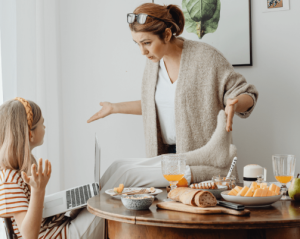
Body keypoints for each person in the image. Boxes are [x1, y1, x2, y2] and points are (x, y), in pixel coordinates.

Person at [88, 3, 258, 185]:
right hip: (166, 155)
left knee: (127, 176)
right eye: (137, 44)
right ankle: (76, 209)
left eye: (147, 43)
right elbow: (154, 106)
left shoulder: (207, 57)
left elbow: (246, 93)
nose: (142, 52)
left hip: (199, 160)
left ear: (167, 35)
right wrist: (114, 108)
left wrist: (234, 103)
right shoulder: (153, 64)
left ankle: (85, 210)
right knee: (117, 167)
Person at [0, 98, 103, 239]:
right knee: (107, 201)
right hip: (61, 235)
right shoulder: (9, 179)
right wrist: (38, 190)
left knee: (113, 177)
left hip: (58, 228)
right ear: (30, 134)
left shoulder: (20, 170)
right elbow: (29, 236)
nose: (45, 127)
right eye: (42, 124)